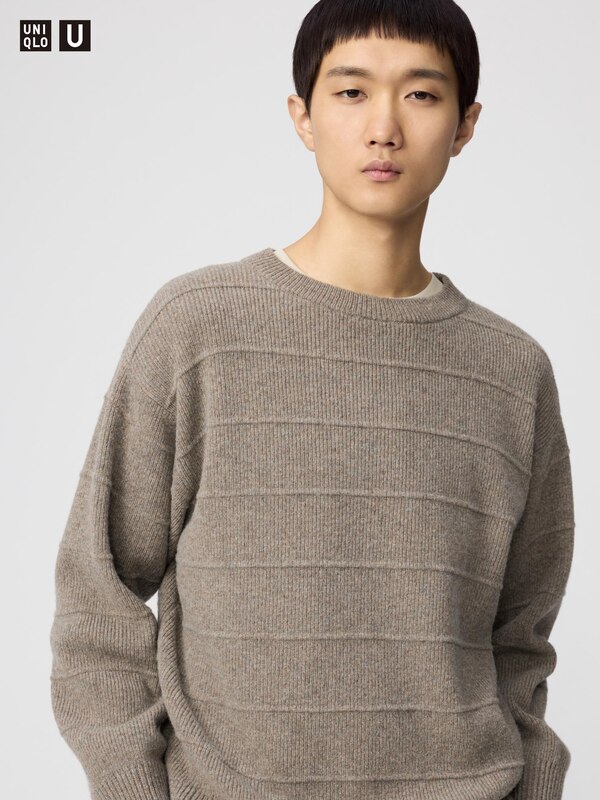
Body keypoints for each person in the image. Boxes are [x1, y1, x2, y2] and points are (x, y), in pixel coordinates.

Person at [49, 2, 575, 799]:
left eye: (421, 95)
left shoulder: (513, 371)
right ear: (302, 115)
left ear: (465, 124)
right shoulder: (198, 329)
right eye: (352, 92)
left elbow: (520, 644)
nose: (384, 128)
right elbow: (98, 597)